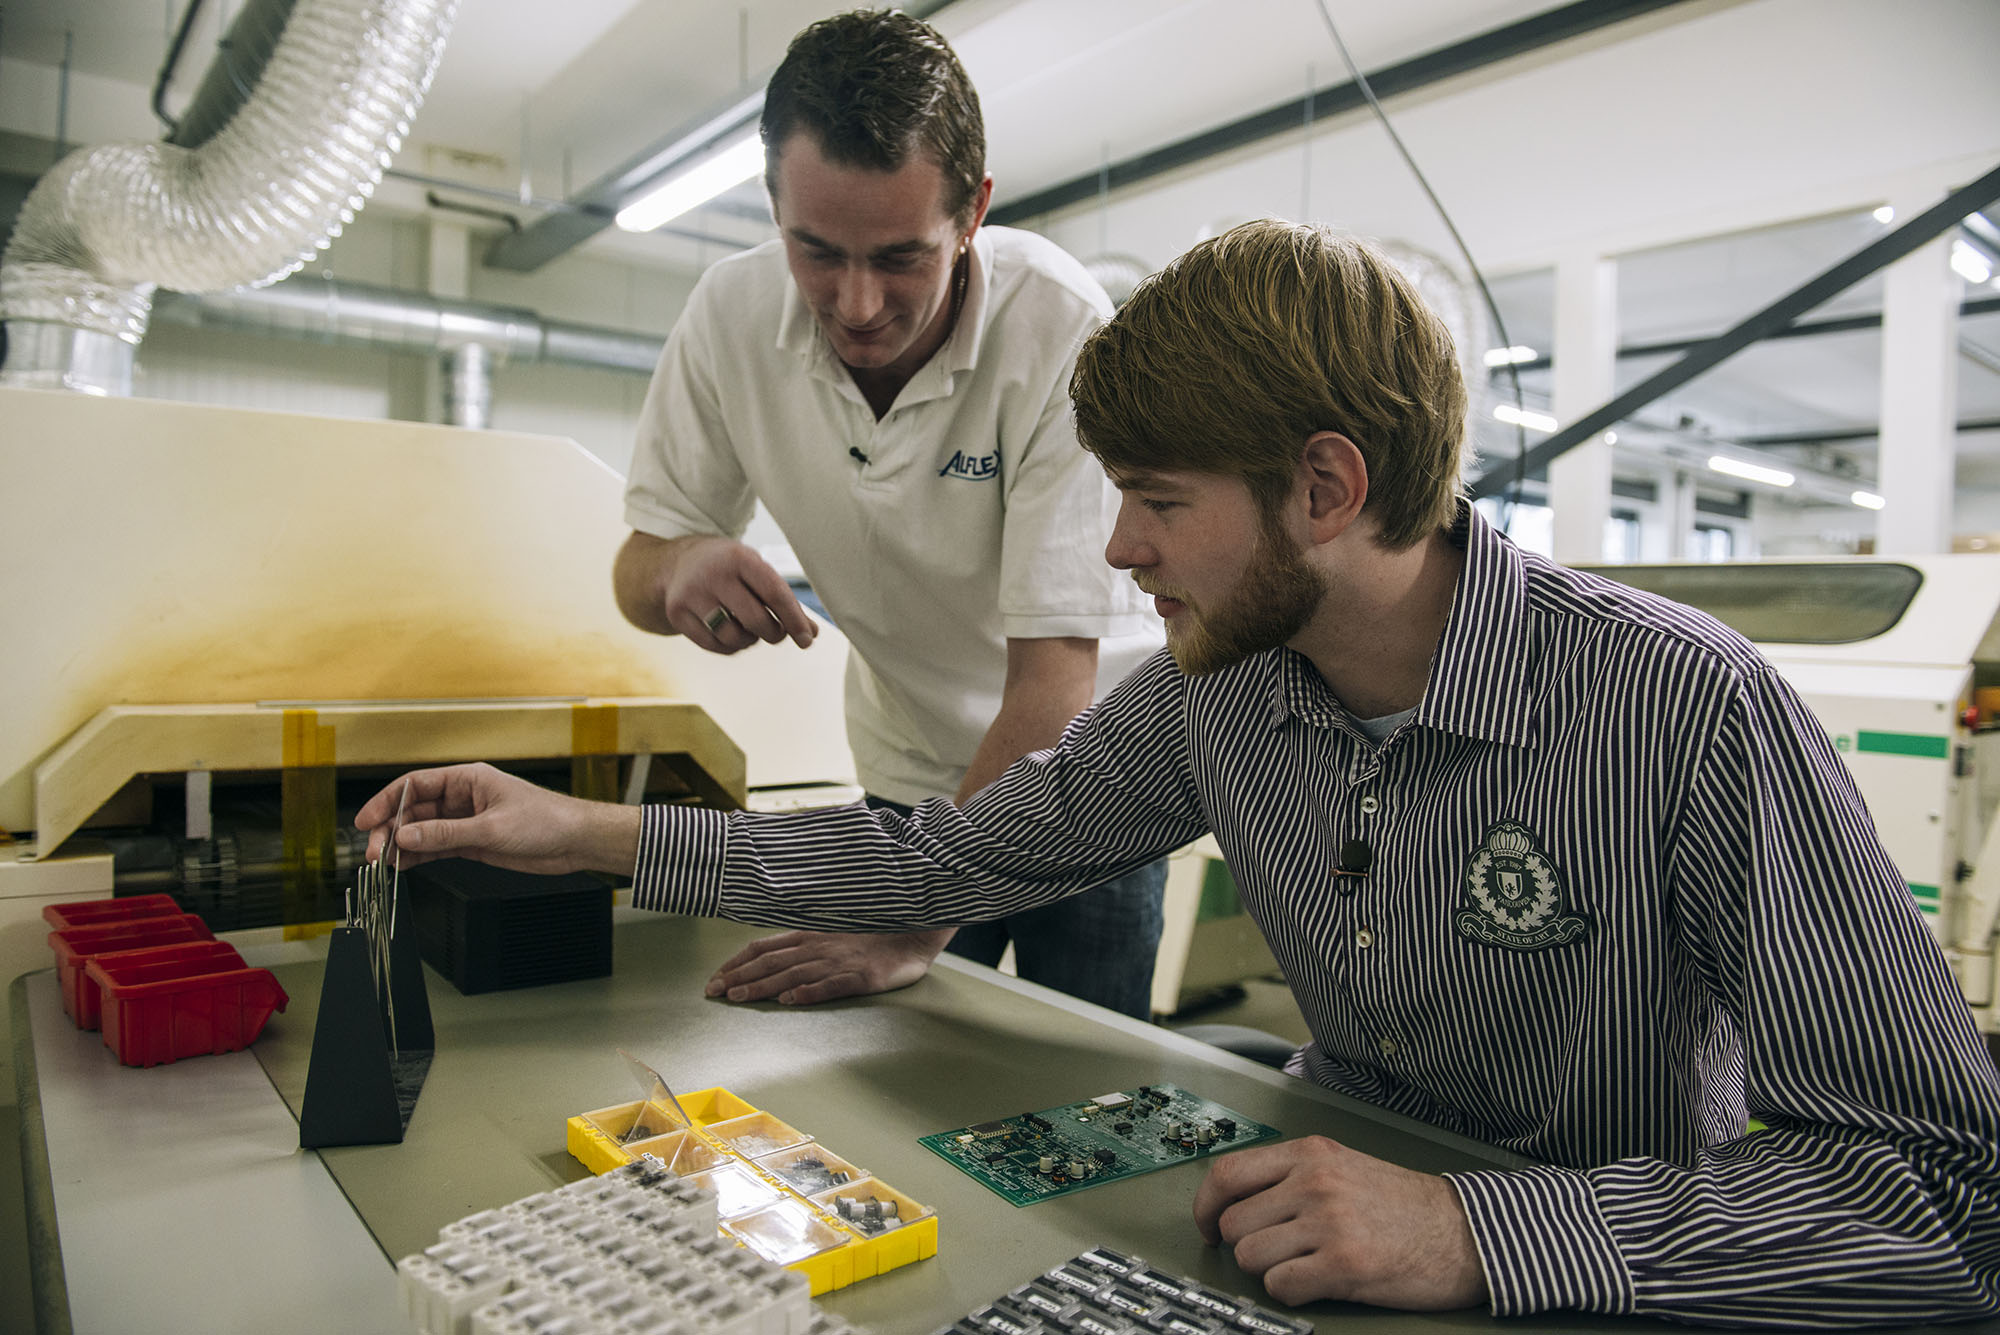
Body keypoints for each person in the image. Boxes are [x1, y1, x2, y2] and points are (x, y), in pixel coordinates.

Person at [361, 220, 2000, 1325]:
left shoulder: (1686, 712)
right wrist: (579, 829)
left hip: (1596, 1279)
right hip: (1306, 1233)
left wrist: (1480, 1228)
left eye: (1155, 500)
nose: (1120, 551)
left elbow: (1940, 1195)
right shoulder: (1224, 696)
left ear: (1326, 488)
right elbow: (943, 865)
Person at [611, 10, 1165, 1017]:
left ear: (973, 212)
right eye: (816, 251)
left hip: (1084, 773)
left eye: (902, 257)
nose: (857, 304)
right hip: (908, 769)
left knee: (1089, 1085)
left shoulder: (1062, 329)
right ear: (774, 205)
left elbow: (1052, 686)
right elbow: (635, 570)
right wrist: (677, 565)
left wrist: (909, 923)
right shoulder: (729, 318)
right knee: (893, 1060)